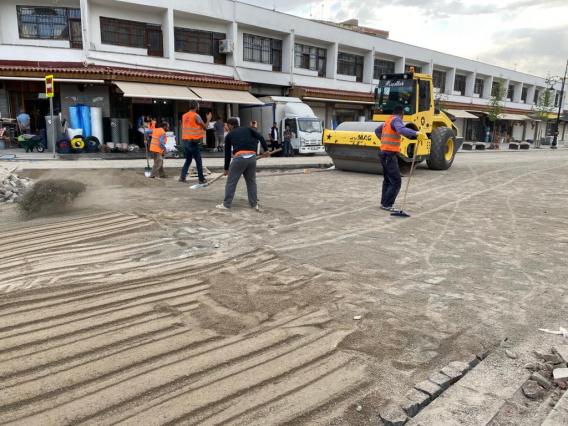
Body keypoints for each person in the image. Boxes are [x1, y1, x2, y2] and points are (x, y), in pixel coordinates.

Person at [374, 104, 422, 211]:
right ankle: (387, 204)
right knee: (396, 181)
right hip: (390, 155)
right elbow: (401, 130)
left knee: (387, 180)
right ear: (402, 114)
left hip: (383, 154)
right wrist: (416, 133)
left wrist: (383, 141)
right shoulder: (397, 120)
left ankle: (384, 203)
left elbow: (377, 131)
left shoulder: (388, 120)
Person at [216, 118, 269, 211]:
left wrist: (226, 169)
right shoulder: (248, 129)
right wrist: (266, 150)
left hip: (239, 158)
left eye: (227, 126)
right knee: (251, 182)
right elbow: (260, 137)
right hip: (252, 158)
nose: (227, 128)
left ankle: (226, 204)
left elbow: (227, 154)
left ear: (231, 125)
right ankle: (254, 204)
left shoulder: (229, 135)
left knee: (231, 182)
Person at [179, 100, 211, 184]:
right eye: (198, 105)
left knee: (188, 160)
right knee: (198, 161)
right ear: (196, 106)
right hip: (193, 142)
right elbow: (205, 127)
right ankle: (201, 179)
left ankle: (182, 177)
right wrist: (208, 119)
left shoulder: (184, 115)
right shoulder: (196, 116)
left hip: (185, 141)